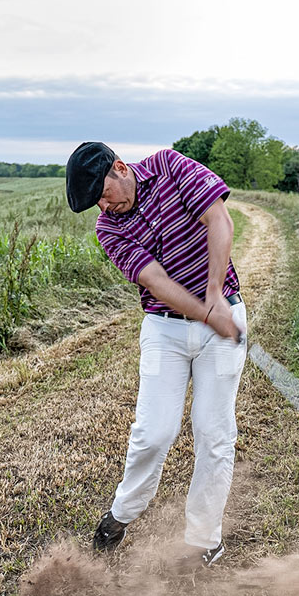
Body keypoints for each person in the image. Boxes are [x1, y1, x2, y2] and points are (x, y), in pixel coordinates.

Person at [65, 141, 247, 567]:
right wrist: (204, 312)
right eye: (96, 204)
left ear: (120, 168)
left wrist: (217, 297)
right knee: (153, 432)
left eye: (105, 195)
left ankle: (204, 540)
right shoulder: (108, 229)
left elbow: (218, 218)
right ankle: (120, 515)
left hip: (224, 315)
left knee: (213, 432)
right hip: (164, 330)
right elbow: (157, 281)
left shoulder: (169, 165)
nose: (104, 207)